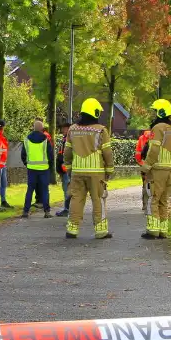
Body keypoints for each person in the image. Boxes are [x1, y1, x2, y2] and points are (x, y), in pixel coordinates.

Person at [64, 99, 115, 239]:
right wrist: (109, 169)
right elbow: (107, 152)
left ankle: (72, 229)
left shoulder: (72, 129)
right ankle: (100, 230)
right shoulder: (101, 130)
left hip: (77, 172)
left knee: (76, 199)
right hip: (96, 172)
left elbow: (67, 151)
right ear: (95, 112)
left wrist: (68, 167)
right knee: (98, 199)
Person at [141, 99, 171, 239]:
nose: (154, 114)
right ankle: (163, 230)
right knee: (164, 199)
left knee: (153, 198)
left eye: (155, 111)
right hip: (170, 170)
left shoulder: (157, 128)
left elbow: (154, 149)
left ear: (159, 112)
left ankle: (152, 230)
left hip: (157, 169)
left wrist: (146, 166)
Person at [20, 119, 53, 218]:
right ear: (42, 129)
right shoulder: (45, 140)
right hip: (44, 169)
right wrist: (49, 166)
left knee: (30, 190)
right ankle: (47, 212)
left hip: (31, 169)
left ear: (33, 128)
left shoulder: (27, 139)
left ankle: (25, 211)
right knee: (45, 190)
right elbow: (50, 155)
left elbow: (23, 155)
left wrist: (27, 164)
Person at [54, 122, 72, 217]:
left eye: (64, 129)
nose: (62, 130)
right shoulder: (64, 139)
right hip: (63, 169)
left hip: (67, 170)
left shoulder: (70, 140)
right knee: (66, 189)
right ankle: (67, 208)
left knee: (67, 190)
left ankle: (68, 209)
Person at [135, 127, 153, 212]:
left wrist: (140, 163)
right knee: (154, 184)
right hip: (154, 166)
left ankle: (145, 205)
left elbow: (138, 153)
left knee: (145, 184)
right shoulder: (157, 137)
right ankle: (153, 204)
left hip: (144, 165)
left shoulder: (142, 138)